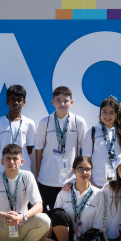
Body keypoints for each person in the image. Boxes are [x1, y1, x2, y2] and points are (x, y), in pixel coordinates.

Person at [0, 84, 36, 241]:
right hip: (2, 172)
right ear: (7, 101)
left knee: (21, 207)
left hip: (22, 172)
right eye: (13, 99)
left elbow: (29, 149)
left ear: (24, 102)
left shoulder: (30, 123)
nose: (16, 102)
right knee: (0, 207)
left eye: (19, 100)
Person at [39, 156, 104, 241]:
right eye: (80, 169)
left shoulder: (98, 194)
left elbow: (97, 225)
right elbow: (54, 218)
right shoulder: (64, 193)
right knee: (58, 214)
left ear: (91, 171)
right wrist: (46, 238)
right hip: (64, 239)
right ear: (73, 171)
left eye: (87, 169)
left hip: (85, 239)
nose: (84, 172)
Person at [35, 86, 87, 214]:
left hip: (69, 181)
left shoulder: (78, 122)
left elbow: (85, 151)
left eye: (66, 100)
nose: (62, 104)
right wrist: (38, 174)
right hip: (46, 179)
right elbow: (38, 150)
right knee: (47, 217)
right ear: (53, 102)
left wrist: (79, 176)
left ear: (71, 103)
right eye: (58, 100)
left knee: (67, 217)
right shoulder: (45, 122)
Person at [82, 96, 121, 187]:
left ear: (117, 114)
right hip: (97, 184)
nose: (107, 116)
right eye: (104, 112)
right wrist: (91, 183)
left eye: (111, 113)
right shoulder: (92, 132)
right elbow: (86, 161)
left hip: (120, 184)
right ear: (100, 112)